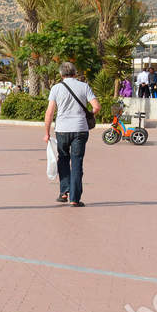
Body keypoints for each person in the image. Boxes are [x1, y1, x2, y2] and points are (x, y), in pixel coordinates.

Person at [44, 61, 99, 207]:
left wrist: (46, 133)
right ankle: (74, 198)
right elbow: (96, 107)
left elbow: (49, 112)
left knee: (63, 159)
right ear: (75, 73)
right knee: (77, 162)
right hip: (80, 129)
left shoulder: (56, 88)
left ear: (61, 74)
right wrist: (87, 115)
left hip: (62, 129)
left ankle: (64, 192)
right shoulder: (84, 86)